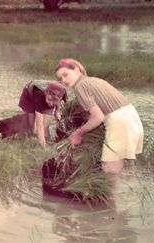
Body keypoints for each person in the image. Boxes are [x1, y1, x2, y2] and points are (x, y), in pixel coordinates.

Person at [55, 58, 144, 200]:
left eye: (65, 75)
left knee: (108, 170)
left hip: (119, 121)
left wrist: (77, 133)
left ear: (77, 69)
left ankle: (109, 211)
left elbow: (98, 117)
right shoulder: (92, 80)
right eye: (60, 79)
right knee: (112, 171)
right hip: (131, 116)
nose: (63, 80)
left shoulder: (80, 86)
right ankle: (109, 207)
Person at [18, 80, 68, 147]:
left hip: (46, 97)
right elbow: (39, 124)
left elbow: (59, 101)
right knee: (31, 123)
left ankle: (47, 139)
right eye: (50, 100)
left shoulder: (62, 93)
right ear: (46, 93)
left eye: (54, 101)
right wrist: (43, 146)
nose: (51, 103)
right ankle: (32, 138)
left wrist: (57, 111)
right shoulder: (39, 95)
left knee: (46, 126)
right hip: (29, 95)